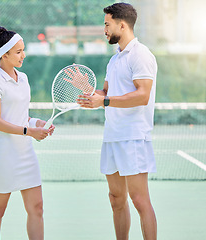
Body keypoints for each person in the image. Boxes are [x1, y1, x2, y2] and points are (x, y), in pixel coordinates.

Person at [77, 3, 157, 240]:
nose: (104, 29)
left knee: (140, 201)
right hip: (112, 136)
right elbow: (105, 93)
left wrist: (105, 102)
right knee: (116, 200)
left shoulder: (141, 55)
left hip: (133, 136)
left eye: (107, 24)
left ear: (122, 25)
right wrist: (89, 91)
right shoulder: (115, 60)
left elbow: (142, 95)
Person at [0, 26, 55, 240]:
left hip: (26, 155)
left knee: (37, 208)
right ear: (4, 54)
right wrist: (29, 131)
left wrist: (37, 122)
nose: (23, 55)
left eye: (23, 50)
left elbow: (21, 116)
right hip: (4, 156)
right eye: (18, 52)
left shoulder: (23, 78)